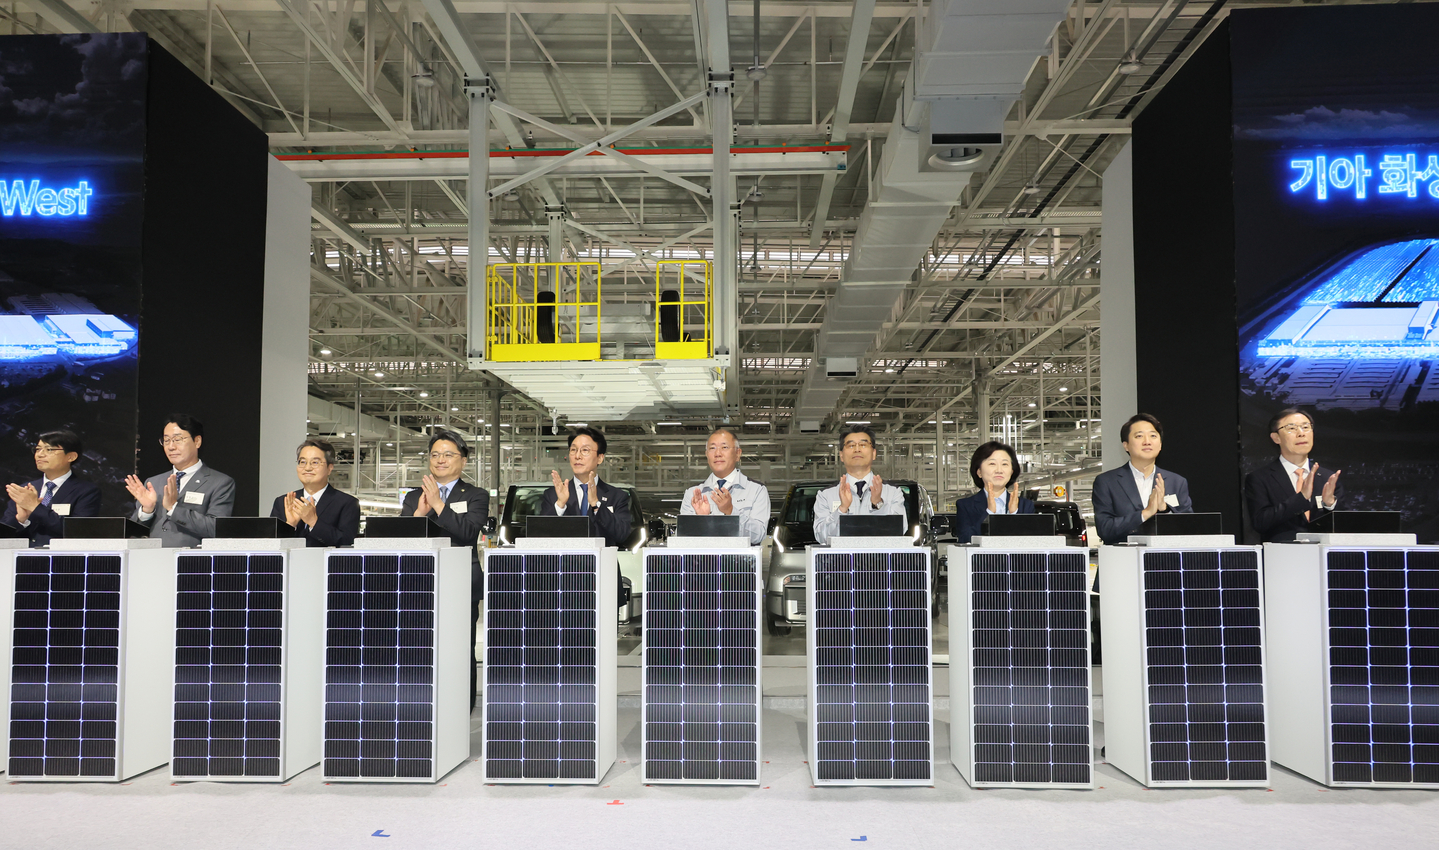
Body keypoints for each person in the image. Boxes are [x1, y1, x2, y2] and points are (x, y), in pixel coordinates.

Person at [401, 429, 490, 711]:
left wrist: (439, 505)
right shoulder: (413, 496)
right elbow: (403, 539)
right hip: (420, 581)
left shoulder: (476, 495)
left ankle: (463, 706)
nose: (440, 460)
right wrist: (419, 514)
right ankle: (421, 703)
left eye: (448, 454)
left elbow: (467, 533)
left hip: (461, 582)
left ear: (463, 460)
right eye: (435, 454)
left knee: (460, 647)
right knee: (419, 646)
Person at [125, 414, 235, 547]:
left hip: (191, 557)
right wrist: (146, 511)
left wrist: (174, 509)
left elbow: (215, 528)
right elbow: (133, 533)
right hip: (153, 556)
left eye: (177, 439)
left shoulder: (220, 483)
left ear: (197, 441)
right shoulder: (153, 482)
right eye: (166, 440)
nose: (171, 446)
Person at [1091, 413, 1194, 545]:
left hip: (1165, 556)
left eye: (1153, 436)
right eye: (1139, 436)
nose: (1147, 441)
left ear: (1160, 445)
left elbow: (1189, 528)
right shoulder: (1107, 482)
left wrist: (1165, 510)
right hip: (1123, 556)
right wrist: (1145, 513)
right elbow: (1105, 529)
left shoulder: (1177, 482)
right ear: (1126, 445)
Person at [1245, 407, 1342, 543]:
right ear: (1276, 438)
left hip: (1323, 553)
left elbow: (1345, 526)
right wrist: (1301, 498)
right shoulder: (1260, 478)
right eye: (1291, 428)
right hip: (1282, 553)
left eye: (1306, 427)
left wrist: (1330, 505)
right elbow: (1260, 522)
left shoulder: (1328, 478)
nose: (1301, 433)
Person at [2, 430, 102, 546]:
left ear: (71, 456)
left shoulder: (86, 491)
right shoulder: (25, 490)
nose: (40, 454)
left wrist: (35, 507)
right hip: (21, 555)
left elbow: (78, 531)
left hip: (60, 555)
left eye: (49, 450)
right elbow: (4, 533)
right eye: (38, 449)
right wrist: (20, 519)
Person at [812, 425, 907, 545]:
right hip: (843, 557)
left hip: (879, 557)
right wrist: (842, 510)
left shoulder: (893, 492)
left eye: (863, 444)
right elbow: (821, 536)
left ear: (874, 453)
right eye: (851, 445)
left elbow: (901, 530)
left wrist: (878, 504)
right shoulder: (826, 495)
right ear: (841, 455)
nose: (857, 449)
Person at [541, 426, 632, 547]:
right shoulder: (553, 495)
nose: (577, 456)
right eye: (573, 450)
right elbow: (541, 535)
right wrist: (560, 505)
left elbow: (622, 534)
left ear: (600, 458)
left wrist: (596, 504)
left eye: (585, 450)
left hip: (601, 558)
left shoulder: (617, 496)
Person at [679, 427, 772, 544]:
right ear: (706, 455)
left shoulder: (756, 490)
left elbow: (758, 535)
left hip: (739, 557)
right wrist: (701, 520)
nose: (718, 453)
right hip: (704, 556)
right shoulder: (693, 494)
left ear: (737, 454)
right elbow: (682, 540)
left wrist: (731, 511)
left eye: (724, 447)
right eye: (712, 448)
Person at [269, 438, 360, 547]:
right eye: (302, 462)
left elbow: (347, 542)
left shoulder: (347, 503)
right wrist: (290, 525)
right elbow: (271, 545)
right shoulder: (283, 502)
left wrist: (313, 522)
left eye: (315, 462)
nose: (307, 468)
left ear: (330, 468)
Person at [953, 441, 1035, 544]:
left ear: (1012, 471)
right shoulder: (966, 506)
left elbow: (1031, 543)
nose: (999, 470)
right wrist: (989, 514)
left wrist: (1013, 516)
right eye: (992, 464)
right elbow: (966, 539)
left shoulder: (1025, 506)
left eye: (1004, 464)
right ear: (979, 472)